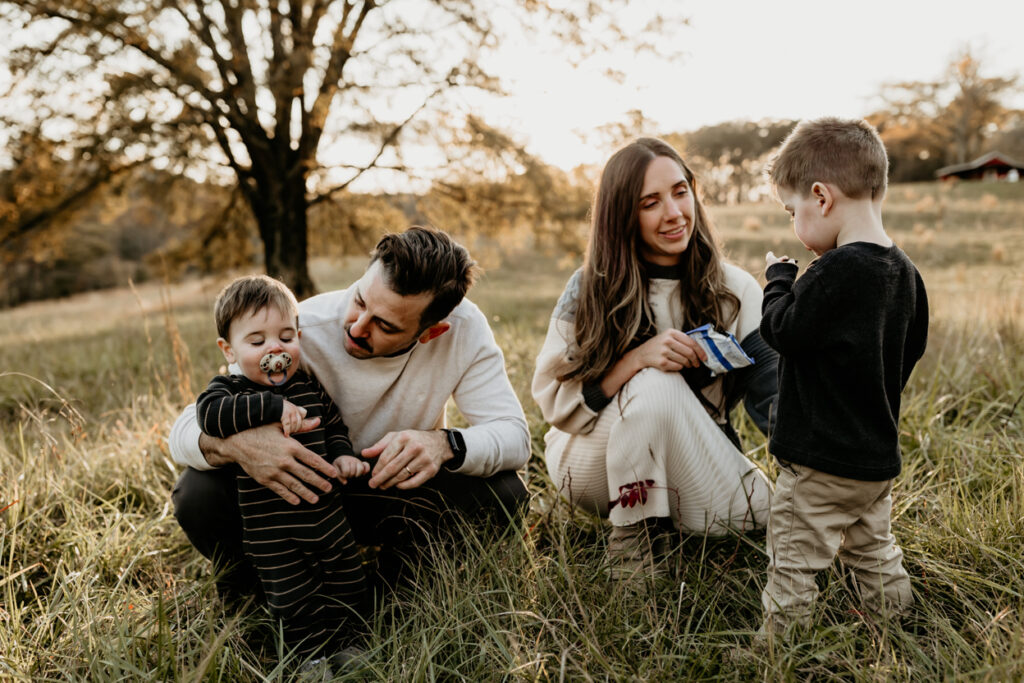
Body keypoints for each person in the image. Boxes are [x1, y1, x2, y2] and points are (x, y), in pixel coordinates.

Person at [170, 227, 530, 608]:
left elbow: (514, 436)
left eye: (385, 325)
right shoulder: (294, 330)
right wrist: (242, 446)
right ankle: (257, 592)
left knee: (504, 495)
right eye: (360, 300)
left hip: (389, 488)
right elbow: (189, 426)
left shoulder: (463, 332)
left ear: (432, 331)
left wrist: (444, 444)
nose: (357, 327)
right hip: (295, 496)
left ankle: (390, 596)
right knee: (197, 493)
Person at [531, 138, 777, 581]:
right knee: (655, 381)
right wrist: (637, 360)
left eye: (681, 192)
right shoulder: (590, 286)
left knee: (768, 511)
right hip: (590, 463)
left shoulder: (735, 289)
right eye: (650, 202)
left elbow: (775, 395)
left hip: (691, 458)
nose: (674, 213)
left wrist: (828, 479)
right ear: (623, 214)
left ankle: (668, 525)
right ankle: (633, 553)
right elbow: (556, 404)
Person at [758, 117, 929, 633]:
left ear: (821, 197)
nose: (795, 224)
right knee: (875, 549)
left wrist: (778, 280)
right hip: (874, 461)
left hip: (818, 462)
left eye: (793, 211)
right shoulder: (906, 273)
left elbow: (781, 330)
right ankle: (894, 625)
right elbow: (910, 350)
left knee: (792, 559)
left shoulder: (833, 272)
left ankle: (777, 650)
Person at [195, 274, 370, 665]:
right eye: (257, 342)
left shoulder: (308, 385)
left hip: (328, 518)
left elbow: (333, 424)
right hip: (273, 534)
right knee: (294, 599)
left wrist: (342, 455)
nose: (275, 348)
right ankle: (308, 658)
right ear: (229, 349)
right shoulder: (230, 390)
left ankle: (350, 645)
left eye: (286, 337)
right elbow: (209, 417)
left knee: (347, 582)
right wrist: (272, 408)